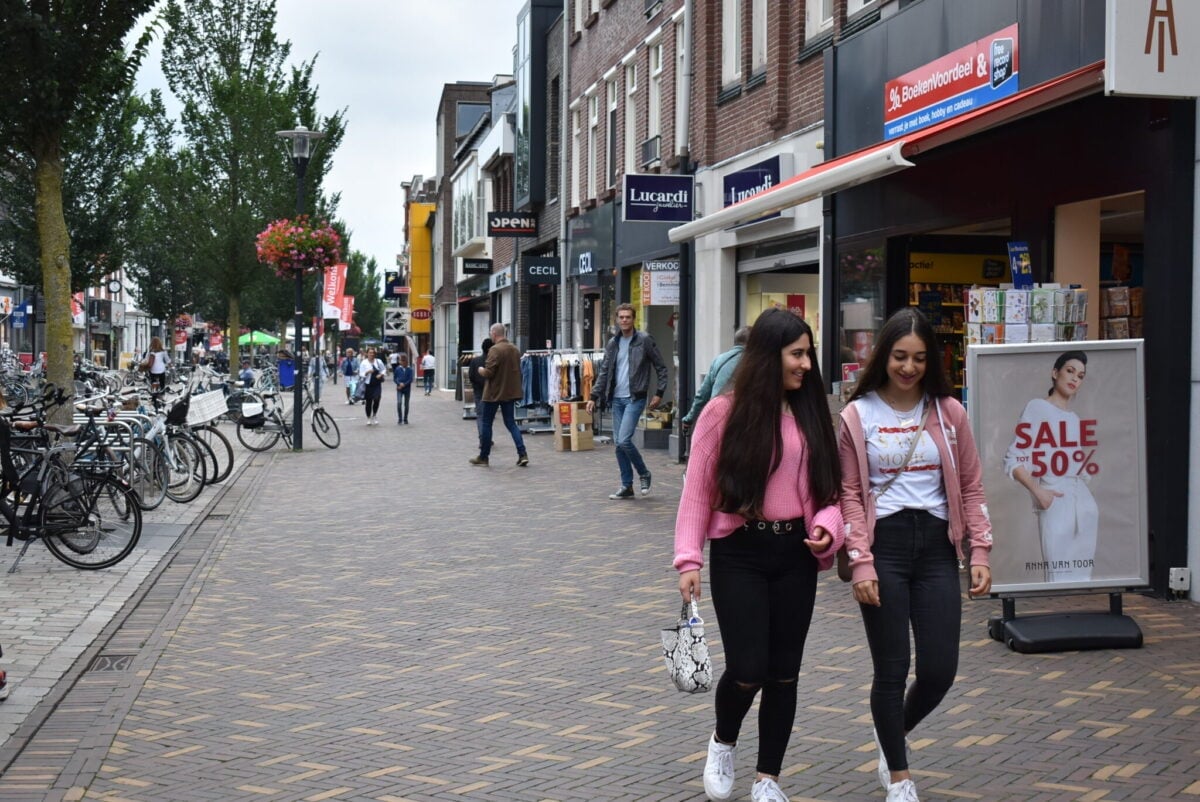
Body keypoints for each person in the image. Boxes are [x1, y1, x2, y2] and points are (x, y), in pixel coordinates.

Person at [674, 308, 843, 802]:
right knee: (749, 667)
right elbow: (696, 492)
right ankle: (724, 739)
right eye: (797, 354)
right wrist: (688, 560)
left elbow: (832, 493)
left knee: (785, 671)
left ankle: (768, 779)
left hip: (795, 551)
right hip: (739, 552)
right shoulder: (722, 413)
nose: (806, 364)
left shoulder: (812, 413)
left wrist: (827, 528)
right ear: (770, 356)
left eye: (808, 354)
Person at [838, 307, 993, 802]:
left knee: (939, 671)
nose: (908, 367)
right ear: (884, 356)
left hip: (936, 549)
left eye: (919, 359)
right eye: (900, 356)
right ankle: (900, 779)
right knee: (892, 668)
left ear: (932, 361)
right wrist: (860, 558)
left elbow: (970, 487)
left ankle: (891, 738)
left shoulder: (950, 413)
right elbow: (847, 494)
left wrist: (981, 551)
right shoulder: (857, 415)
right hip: (884, 547)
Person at [1004, 350, 1097, 583]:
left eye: (1081, 375)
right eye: (1070, 371)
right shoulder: (1037, 408)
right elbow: (1014, 458)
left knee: (1083, 577)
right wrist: (1039, 492)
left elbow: (1080, 465)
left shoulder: (1075, 419)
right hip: (1056, 497)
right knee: (1059, 577)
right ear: (1055, 373)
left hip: (1084, 504)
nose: (1075, 378)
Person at [586, 304, 668, 499]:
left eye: (628, 317)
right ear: (616, 320)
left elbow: (661, 367)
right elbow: (604, 372)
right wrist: (593, 397)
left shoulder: (644, 340)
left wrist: (659, 393)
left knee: (624, 440)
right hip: (616, 399)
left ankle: (644, 473)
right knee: (619, 444)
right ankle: (626, 486)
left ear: (634, 319)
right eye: (621, 317)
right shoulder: (613, 343)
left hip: (635, 398)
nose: (624, 320)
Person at [469, 324, 529, 467]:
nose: (490, 335)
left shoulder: (495, 350)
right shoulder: (514, 349)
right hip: (509, 393)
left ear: (495, 333)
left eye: (491, 332)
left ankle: (484, 456)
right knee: (511, 423)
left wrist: (481, 369)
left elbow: (489, 372)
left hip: (494, 393)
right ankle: (522, 453)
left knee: (486, 423)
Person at [682, 326, 751, 435]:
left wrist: (688, 419)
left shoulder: (719, 360)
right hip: (740, 419)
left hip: (715, 416)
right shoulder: (753, 362)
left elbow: (702, 395)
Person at [467, 338, 493, 439]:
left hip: (478, 391)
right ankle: (487, 438)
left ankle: (483, 437)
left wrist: (476, 385)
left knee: (481, 415)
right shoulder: (493, 361)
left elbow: (471, 375)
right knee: (489, 417)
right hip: (491, 392)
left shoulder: (475, 361)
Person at [358, 347, 387, 425]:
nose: (372, 354)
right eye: (370, 353)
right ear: (367, 354)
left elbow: (384, 369)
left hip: (377, 383)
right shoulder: (364, 362)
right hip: (368, 384)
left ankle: (374, 414)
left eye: (373, 353)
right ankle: (368, 417)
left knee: (377, 399)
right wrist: (367, 372)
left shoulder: (378, 361)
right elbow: (361, 374)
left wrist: (381, 374)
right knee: (369, 402)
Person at [393, 353, 414, 424]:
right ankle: (400, 418)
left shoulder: (410, 369)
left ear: (405, 361)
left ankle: (405, 418)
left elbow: (410, 379)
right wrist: (399, 383)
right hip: (399, 389)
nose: (400, 362)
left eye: (401, 360)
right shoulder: (398, 369)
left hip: (407, 389)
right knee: (399, 403)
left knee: (406, 404)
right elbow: (395, 378)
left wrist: (404, 384)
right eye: (400, 361)